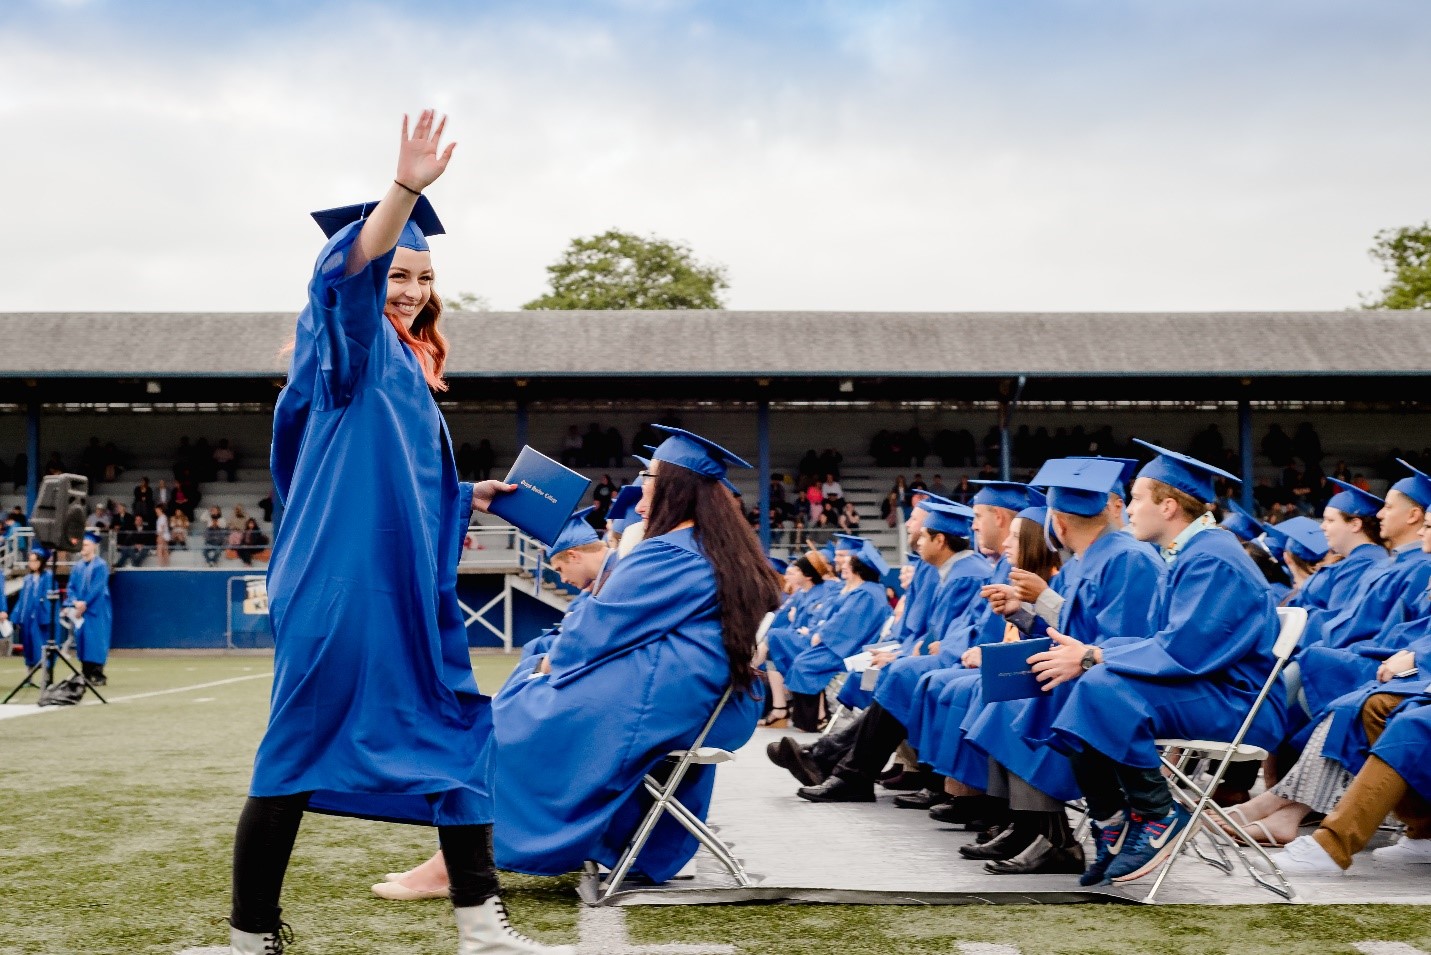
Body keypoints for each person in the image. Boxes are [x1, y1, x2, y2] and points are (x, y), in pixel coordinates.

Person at [228, 110, 567, 955]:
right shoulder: (344, 348)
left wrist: (468, 491)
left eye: (422, 274)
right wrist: (406, 187)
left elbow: (399, 482)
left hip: (410, 592)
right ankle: (249, 937)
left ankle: (481, 927)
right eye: (396, 272)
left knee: (459, 729)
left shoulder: (408, 371)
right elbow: (346, 277)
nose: (410, 288)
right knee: (298, 749)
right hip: (343, 591)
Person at [483, 425, 780, 883]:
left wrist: (552, 664)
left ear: (676, 491)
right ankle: (627, 848)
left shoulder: (672, 553)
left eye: (650, 485)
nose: (640, 502)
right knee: (536, 699)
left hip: (680, 700)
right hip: (709, 699)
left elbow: (600, 627)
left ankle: (482, 849)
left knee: (519, 713)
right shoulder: (709, 547)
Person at [1034, 441, 1284, 887]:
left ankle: (1156, 815)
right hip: (1206, 691)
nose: (1125, 509)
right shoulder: (1191, 552)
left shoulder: (1213, 557)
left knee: (1100, 684)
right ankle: (1114, 821)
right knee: (1079, 682)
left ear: (1168, 507)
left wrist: (1094, 655)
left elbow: (1184, 652)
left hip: (1237, 703)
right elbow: (1162, 644)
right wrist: (1085, 654)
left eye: (1135, 498)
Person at [64, 531, 112, 686]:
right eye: (82, 545)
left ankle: (98, 674)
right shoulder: (78, 566)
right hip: (80, 610)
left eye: (85, 544)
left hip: (96, 609)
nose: (83, 547)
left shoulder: (100, 565)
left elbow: (97, 588)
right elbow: (71, 587)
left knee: (96, 640)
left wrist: (84, 603)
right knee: (83, 640)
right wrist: (74, 602)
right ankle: (85, 672)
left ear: (94, 546)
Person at [12, 547, 55, 674]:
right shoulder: (28, 579)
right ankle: (29, 674)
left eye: (34, 561)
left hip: (40, 618)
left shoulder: (48, 577)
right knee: (28, 645)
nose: (32, 564)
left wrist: (44, 615)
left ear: (41, 562)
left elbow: (48, 598)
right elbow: (22, 599)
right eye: (30, 561)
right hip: (28, 618)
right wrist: (17, 616)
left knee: (40, 645)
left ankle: (46, 675)